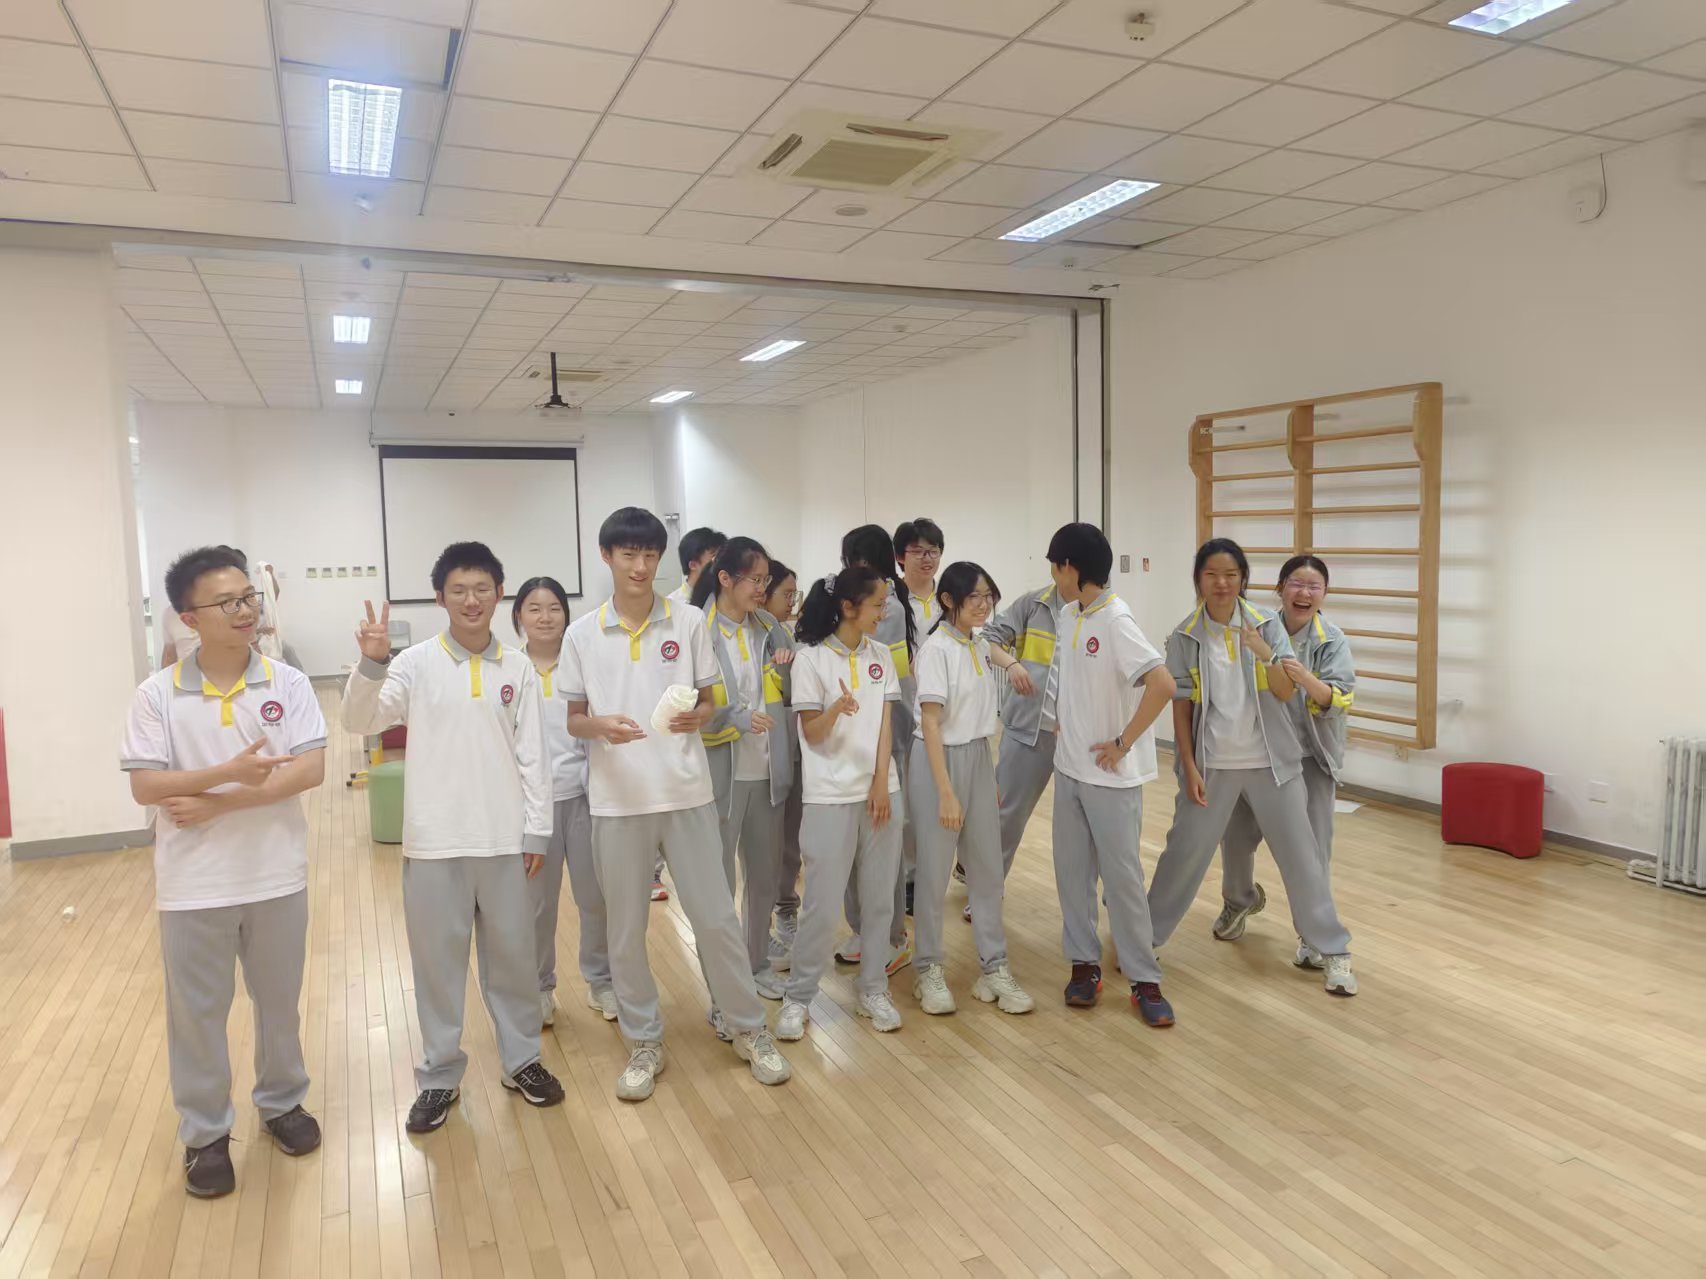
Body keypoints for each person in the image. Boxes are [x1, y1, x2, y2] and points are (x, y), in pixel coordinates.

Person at [560, 507, 792, 1102]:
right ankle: (643, 1039)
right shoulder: (582, 634)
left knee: (715, 918)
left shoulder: (688, 620)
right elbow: (574, 719)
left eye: (649, 555)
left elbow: (711, 701)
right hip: (618, 802)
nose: (640, 566)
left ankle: (747, 1027)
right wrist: (600, 726)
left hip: (688, 794)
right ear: (607, 557)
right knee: (626, 929)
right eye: (628, 555)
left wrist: (701, 716)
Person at [121, 546, 326, 1198]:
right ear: (189, 617)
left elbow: (311, 768)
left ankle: (282, 1103)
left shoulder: (287, 682)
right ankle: (206, 1133)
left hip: (276, 875)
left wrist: (218, 800)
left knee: (279, 1004)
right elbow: (147, 785)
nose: (244, 611)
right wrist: (228, 773)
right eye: (227, 602)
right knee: (198, 1016)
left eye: (248, 598)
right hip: (193, 886)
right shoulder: (156, 694)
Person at [342, 541, 565, 1134]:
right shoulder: (414, 663)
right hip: (434, 841)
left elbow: (534, 756)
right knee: (438, 966)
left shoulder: (517, 667)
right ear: (440, 597)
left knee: (513, 960)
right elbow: (360, 721)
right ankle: (440, 1074)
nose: (472, 600)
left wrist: (537, 831)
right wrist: (371, 663)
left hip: (504, 840)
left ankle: (522, 1060)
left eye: (483, 589)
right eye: (459, 590)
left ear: (499, 595)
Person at [1144, 546, 1357, 995]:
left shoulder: (1267, 625)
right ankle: (1145, 941)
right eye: (1211, 574)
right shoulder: (1184, 635)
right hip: (1214, 766)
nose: (1222, 583)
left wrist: (1266, 654)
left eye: (1231, 574)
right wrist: (1187, 765)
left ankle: (1332, 950)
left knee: (1304, 860)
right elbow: (1182, 707)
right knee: (1183, 854)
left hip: (1273, 765)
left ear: (1243, 578)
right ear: (1198, 579)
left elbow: (1285, 692)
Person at [1045, 523, 1178, 1025]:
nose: (1054, 578)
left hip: (1111, 777)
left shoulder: (1117, 619)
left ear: (1070, 568)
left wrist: (1124, 742)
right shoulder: (1068, 614)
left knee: (1122, 881)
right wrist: (1065, 716)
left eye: (1055, 568)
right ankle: (1084, 966)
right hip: (1070, 770)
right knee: (1072, 874)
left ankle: (1144, 979)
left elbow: (1162, 684)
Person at [776, 566, 906, 1040]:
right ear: (848, 607)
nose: (883, 612)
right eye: (877, 604)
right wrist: (836, 708)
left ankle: (873, 989)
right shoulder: (810, 660)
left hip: (880, 794)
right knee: (822, 905)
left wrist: (881, 782)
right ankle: (799, 997)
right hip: (829, 796)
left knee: (879, 901)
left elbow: (886, 725)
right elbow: (811, 732)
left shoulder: (881, 655)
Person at [908, 561, 1037, 1016]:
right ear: (949, 601)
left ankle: (994, 968)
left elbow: (991, 652)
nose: (984, 605)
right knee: (934, 872)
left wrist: (1014, 663)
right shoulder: (936, 650)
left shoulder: (976, 643)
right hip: (937, 761)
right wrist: (946, 791)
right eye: (975, 597)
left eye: (989, 596)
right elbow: (930, 722)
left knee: (987, 870)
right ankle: (927, 969)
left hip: (979, 757)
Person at [1216, 555, 1355, 970]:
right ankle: (1239, 900)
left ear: (1324, 594)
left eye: (1314, 586)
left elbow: (1337, 699)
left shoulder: (1332, 640)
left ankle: (1314, 937)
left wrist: (1298, 675)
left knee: (1312, 852)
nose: (1305, 593)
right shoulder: (1259, 628)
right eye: (1296, 583)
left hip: (1310, 758)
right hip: (1257, 753)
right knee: (1235, 837)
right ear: (1280, 589)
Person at [690, 537, 796, 1012]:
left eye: (766, 580)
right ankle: (723, 988)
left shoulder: (770, 628)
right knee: (718, 886)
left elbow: (789, 692)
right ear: (725, 579)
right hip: (720, 773)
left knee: (764, 878)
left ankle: (756, 965)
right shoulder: (698, 630)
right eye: (754, 580)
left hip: (767, 770)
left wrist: (786, 668)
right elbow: (688, 705)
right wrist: (734, 716)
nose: (761, 589)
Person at [513, 576, 616, 1028]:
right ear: (519, 616)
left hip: (585, 798)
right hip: (532, 807)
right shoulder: (510, 670)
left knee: (595, 898)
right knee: (537, 906)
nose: (545, 617)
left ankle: (602, 981)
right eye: (534, 609)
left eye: (554, 608)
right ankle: (539, 987)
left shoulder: (583, 666)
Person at [834, 525, 915, 974]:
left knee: (884, 844)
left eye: (859, 561)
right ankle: (863, 929)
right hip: (846, 738)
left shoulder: (892, 607)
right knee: (851, 843)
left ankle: (892, 935)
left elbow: (890, 681)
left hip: (885, 738)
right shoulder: (843, 600)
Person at [982, 577, 1069, 890]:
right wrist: (1011, 664)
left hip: (1077, 738)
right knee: (1006, 815)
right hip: (1028, 729)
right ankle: (986, 889)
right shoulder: (1033, 605)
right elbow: (987, 641)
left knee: (1083, 827)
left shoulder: (1100, 611)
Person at [761, 562, 806, 973]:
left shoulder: (783, 632)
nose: (792, 601)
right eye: (786, 594)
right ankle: (759, 930)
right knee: (761, 848)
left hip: (788, 750)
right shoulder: (746, 632)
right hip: (754, 757)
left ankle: (787, 909)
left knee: (789, 841)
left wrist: (788, 666)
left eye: (795, 594)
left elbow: (794, 693)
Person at [666, 526, 725, 610]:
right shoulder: (673, 604)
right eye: (714, 557)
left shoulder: (725, 597)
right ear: (693, 565)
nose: (722, 563)